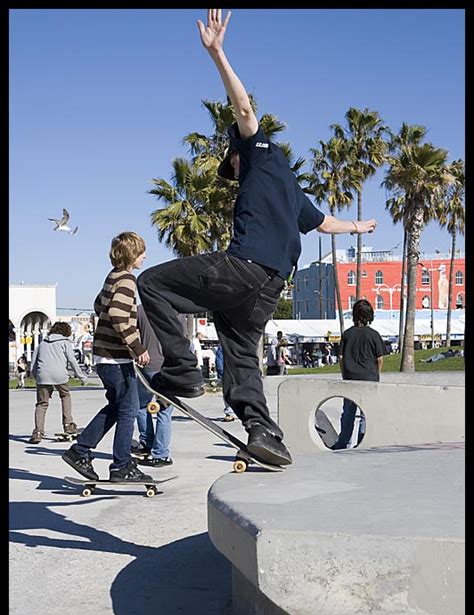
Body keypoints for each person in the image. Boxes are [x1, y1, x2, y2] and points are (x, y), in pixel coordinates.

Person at [137, 9, 377, 466]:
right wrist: (360, 227)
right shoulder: (291, 187)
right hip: (270, 285)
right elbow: (325, 223)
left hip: (244, 265)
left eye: (232, 168)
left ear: (236, 156)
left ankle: (183, 370)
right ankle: (263, 430)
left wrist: (217, 53)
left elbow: (244, 108)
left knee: (151, 283)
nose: (234, 176)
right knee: (239, 346)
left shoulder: (259, 152)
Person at [62, 232, 153, 483]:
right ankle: (121, 466)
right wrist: (138, 347)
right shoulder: (127, 279)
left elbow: (98, 305)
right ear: (131, 254)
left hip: (105, 356)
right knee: (129, 410)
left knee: (116, 407)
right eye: (141, 252)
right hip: (116, 358)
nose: (145, 256)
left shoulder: (112, 277)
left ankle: (79, 451)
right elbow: (115, 312)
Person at [331, 299, 385, 450]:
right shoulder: (374, 335)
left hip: (350, 378)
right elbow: (379, 359)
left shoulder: (347, 334)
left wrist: (344, 374)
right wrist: (376, 374)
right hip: (369, 378)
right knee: (365, 414)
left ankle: (343, 442)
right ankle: (362, 442)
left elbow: (341, 358)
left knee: (348, 412)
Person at [28, 322, 87, 444]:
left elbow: (33, 364)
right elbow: (72, 360)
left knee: (41, 404)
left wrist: (36, 377)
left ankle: (38, 432)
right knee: (65, 396)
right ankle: (68, 425)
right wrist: (81, 376)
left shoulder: (42, 344)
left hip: (43, 375)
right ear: (66, 332)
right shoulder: (65, 343)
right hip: (60, 375)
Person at [132, 304, 176, 468]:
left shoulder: (141, 309)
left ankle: (146, 442)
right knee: (164, 411)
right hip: (169, 368)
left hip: (147, 365)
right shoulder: (176, 311)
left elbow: (128, 332)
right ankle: (160, 453)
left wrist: (138, 349)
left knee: (140, 406)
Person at [215, 343, 236, 421]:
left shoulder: (223, 345)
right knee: (230, 391)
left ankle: (230, 411)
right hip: (230, 371)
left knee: (228, 391)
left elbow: (219, 360)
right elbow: (219, 360)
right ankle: (230, 411)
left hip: (228, 372)